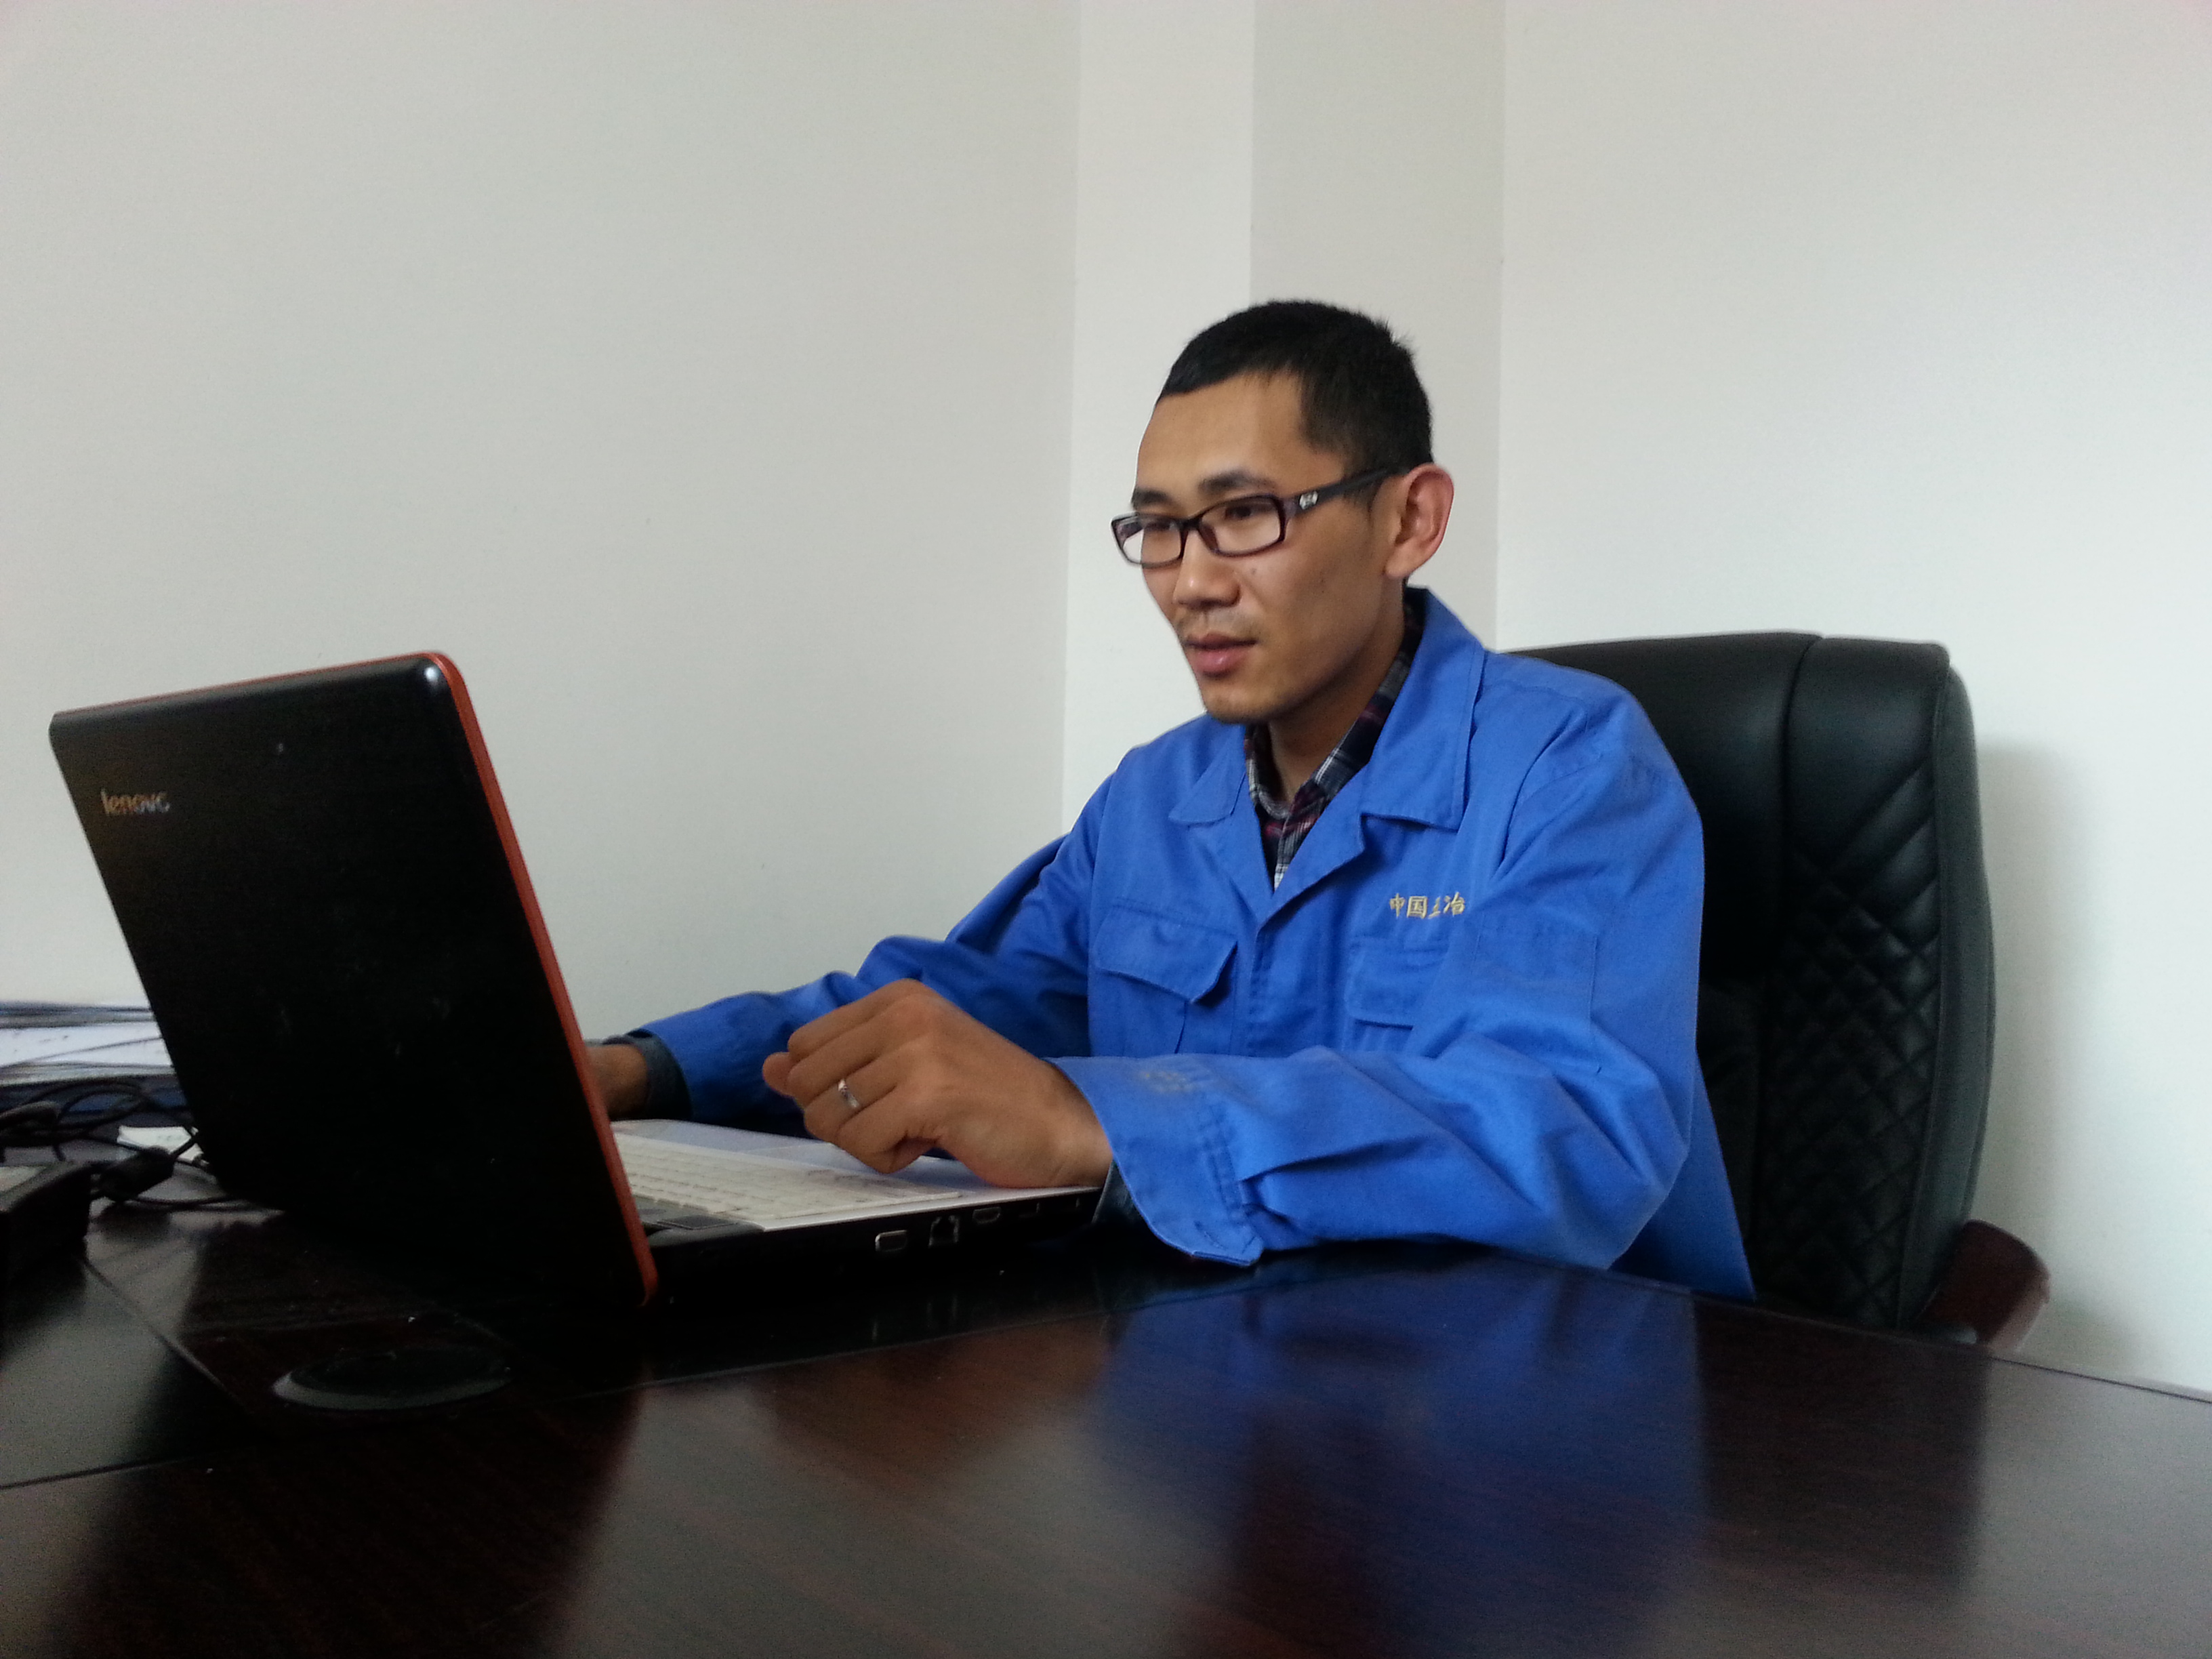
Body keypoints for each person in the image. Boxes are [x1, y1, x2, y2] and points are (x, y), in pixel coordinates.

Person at [593, 301, 1753, 1297]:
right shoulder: (1156, 794)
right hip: (1228, 1366)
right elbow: (963, 1011)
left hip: (1542, 1410)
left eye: (1244, 515)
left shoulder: (1572, 763)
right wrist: (644, 1071)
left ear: (1409, 521)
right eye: (1158, 527)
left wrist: (1093, 1122)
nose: (1191, 581)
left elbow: (1565, 1128)